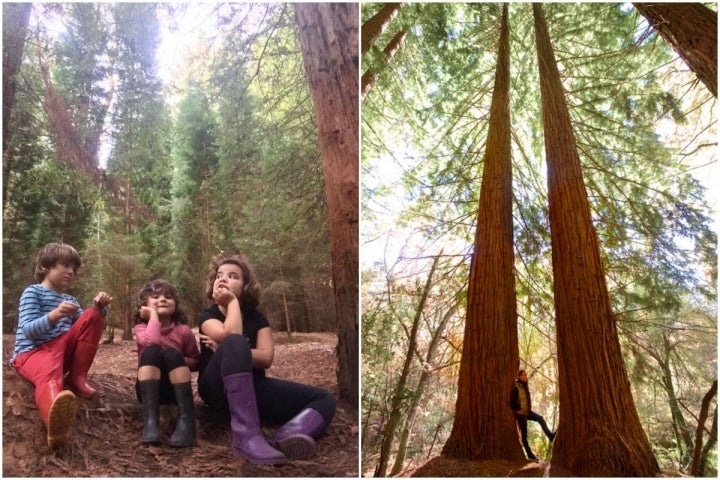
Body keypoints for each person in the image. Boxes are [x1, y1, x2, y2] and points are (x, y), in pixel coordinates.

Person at [196, 254, 336, 464]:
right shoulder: (208, 315)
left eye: (233, 276)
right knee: (235, 342)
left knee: (324, 399)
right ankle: (247, 438)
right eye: (219, 275)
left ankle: (281, 439)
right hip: (216, 388)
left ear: (245, 286)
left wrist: (231, 351)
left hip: (252, 388)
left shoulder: (257, 318)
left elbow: (266, 358)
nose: (223, 279)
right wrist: (233, 342)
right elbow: (233, 336)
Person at [10, 242, 113, 447]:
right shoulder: (33, 292)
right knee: (50, 372)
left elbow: (85, 328)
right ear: (46, 266)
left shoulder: (69, 299)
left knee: (92, 316)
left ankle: (77, 377)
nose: (70, 271)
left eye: (73, 268)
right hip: (33, 353)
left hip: (61, 351)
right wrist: (55, 315)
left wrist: (99, 308)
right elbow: (28, 331)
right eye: (64, 265)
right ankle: (54, 422)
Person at [134, 279, 200, 447]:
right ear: (145, 305)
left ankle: (186, 420)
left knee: (171, 353)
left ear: (175, 305)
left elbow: (196, 361)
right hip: (148, 391)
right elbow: (152, 342)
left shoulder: (183, 331)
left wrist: (178, 359)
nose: (163, 299)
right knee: (152, 351)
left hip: (176, 391)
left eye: (168, 297)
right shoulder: (141, 328)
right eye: (156, 296)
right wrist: (154, 317)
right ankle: (151, 422)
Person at [509, 369, 556, 460]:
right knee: (524, 434)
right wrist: (518, 408)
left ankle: (550, 436)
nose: (526, 377)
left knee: (540, 418)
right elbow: (511, 402)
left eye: (526, 375)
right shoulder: (516, 387)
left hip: (528, 412)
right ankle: (530, 455)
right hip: (521, 414)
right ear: (519, 376)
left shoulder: (524, 386)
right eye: (524, 375)